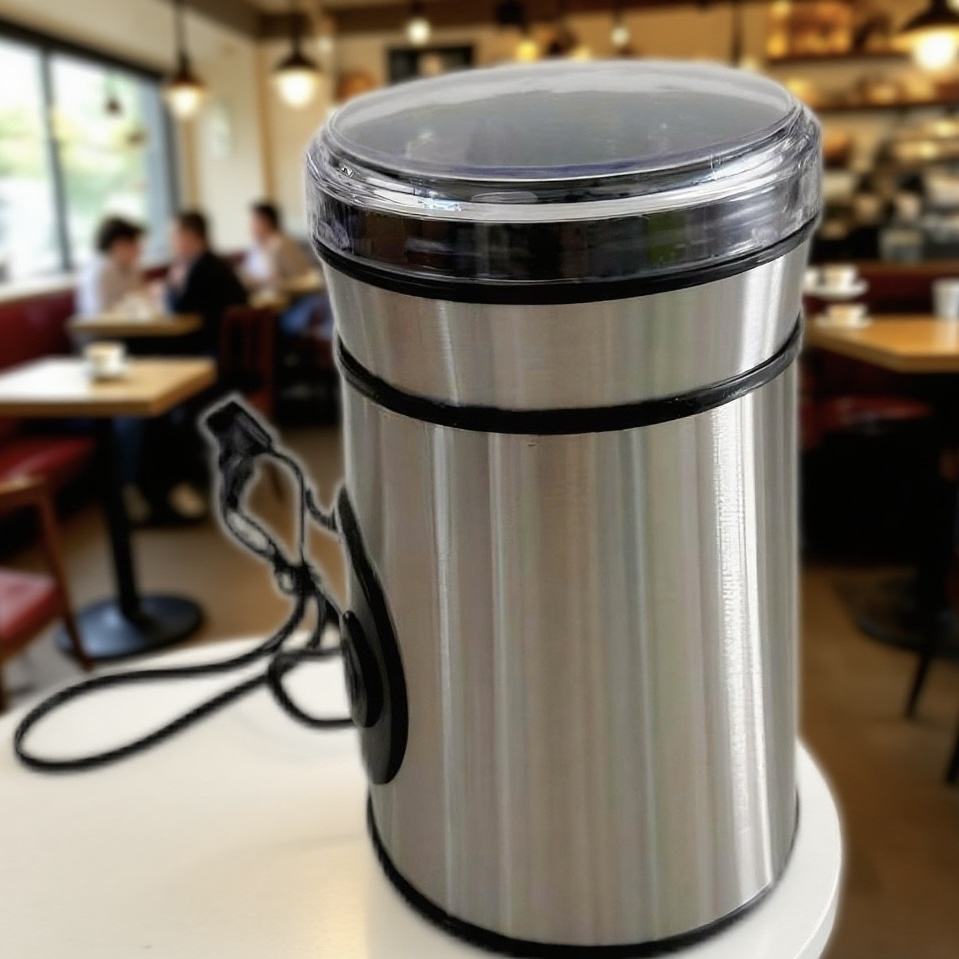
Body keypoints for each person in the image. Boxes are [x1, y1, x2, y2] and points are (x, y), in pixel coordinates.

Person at [166, 210, 247, 355]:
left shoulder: (202, 269)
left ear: (190, 235)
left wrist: (173, 284)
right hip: (230, 346)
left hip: (212, 348)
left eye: (175, 235)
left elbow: (178, 310)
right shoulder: (215, 262)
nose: (171, 241)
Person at [77, 217, 144, 316]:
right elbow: (100, 314)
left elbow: (139, 297)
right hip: (103, 324)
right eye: (135, 244)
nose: (140, 250)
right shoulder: (99, 272)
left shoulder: (129, 266)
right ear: (119, 245)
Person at [241, 201, 313, 292]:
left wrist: (268, 282)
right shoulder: (256, 246)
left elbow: (302, 276)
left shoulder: (281, 243)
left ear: (267, 222)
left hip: (286, 295)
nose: (250, 226)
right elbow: (249, 274)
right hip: (262, 294)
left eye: (254, 221)